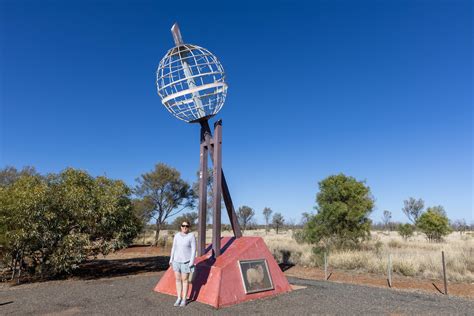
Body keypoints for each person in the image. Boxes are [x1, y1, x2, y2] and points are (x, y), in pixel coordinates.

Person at [169, 221, 196, 307]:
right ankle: (179, 298)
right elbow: (173, 247)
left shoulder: (191, 236)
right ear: (180, 227)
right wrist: (171, 259)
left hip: (186, 262)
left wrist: (191, 262)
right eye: (183, 225)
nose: (184, 227)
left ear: (189, 227)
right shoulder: (177, 235)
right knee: (177, 279)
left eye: (186, 226)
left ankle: (184, 299)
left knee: (185, 280)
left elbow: (193, 250)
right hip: (176, 261)